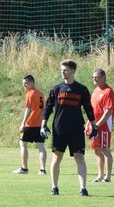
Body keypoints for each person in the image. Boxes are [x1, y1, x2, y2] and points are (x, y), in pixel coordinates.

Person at [41, 59, 97, 197]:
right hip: (59, 128)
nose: (62, 72)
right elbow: (48, 107)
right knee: (57, 157)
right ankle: (54, 187)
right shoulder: (56, 89)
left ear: (72, 71)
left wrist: (93, 124)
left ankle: (83, 188)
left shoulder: (81, 89)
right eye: (61, 70)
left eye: (65, 70)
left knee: (79, 157)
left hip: (76, 129)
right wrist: (43, 123)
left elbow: (88, 108)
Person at [13, 74, 47, 175]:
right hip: (39, 124)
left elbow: (28, 109)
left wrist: (23, 123)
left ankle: (24, 168)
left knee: (22, 144)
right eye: (23, 84)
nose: (24, 85)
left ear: (32, 83)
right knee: (40, 146)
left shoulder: (30, 94)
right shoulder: (41, 94)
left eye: (26, 83)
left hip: (30, 124)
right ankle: (42, 169)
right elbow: (43, 108)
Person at [90, 67, 114, 183]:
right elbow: (93, 109)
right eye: (93, 77)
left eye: (96, 77)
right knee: (96, 150)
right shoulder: (95, 91)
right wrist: (90, 123)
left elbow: (108, 111)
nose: (94, 79)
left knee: (105, 150)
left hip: (104, 126)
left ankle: (108, 176)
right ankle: (100, 175)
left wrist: (98, 124)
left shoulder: (108, 91)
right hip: (95, 125)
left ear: (103, 78)